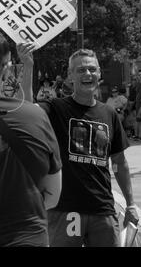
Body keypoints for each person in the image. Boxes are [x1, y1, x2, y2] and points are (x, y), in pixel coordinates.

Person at [19, 47, 139, 247]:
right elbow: (26, 109)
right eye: (81, 70)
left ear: (99, 74)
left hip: (103, 210)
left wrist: (131, 204)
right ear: (70, 76)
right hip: (64, 209)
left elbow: (119, 163)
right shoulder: (55, 108)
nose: (88, 74)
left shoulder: (109, 114)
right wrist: (28, 65)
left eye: (92, 69)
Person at [0, 37, 62, 247]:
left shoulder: (22, 107)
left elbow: (24, 105)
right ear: (6, 65)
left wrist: (27, 65)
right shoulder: (33, 117)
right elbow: (52, 195)